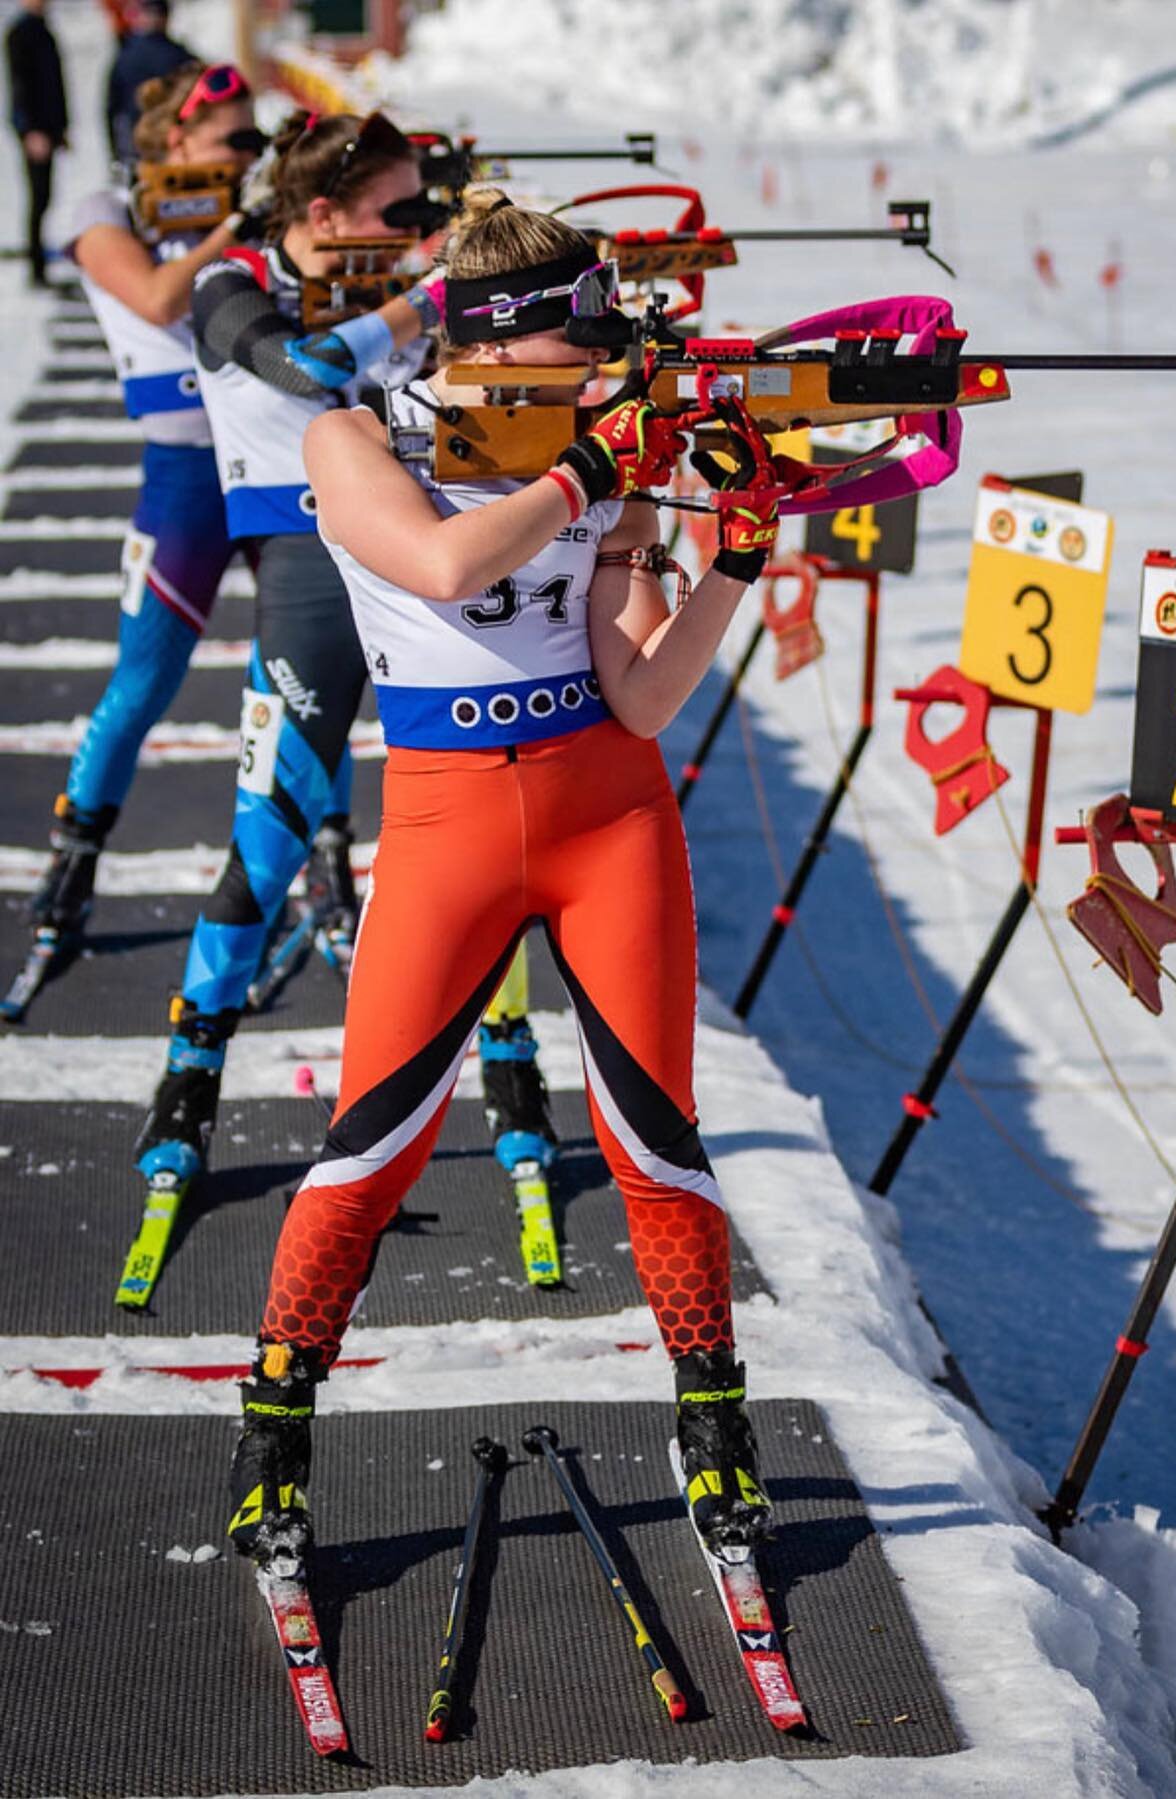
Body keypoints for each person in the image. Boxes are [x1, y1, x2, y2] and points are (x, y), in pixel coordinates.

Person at [225, 190, 783, 1573]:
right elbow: (441, 556)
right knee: (370, 1145)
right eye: (575, 352)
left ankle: (714, 1418)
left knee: (658, 1139)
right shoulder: (350, 435)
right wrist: (595, 471)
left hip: (611, 812)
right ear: (509, 341)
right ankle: (273, 1431)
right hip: (445, 823)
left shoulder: (604, 452)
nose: (597, 377)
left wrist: (738, 562)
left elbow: (644, 695)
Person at [131, 109, 444, 1201]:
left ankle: (506, 1073)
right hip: (309, 569)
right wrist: (426, 300)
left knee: (474, 835)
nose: (418, 227)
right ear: (323, 213)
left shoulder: (389, 279)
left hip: (421, 560)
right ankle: (188, 1078)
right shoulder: (233, 280)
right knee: (264, 837)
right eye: (398, 211)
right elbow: (304, 366)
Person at [13, 63, 259, 1001]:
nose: (246, 156)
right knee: (141, 684)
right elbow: (155, 298)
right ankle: (68, 873)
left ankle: (316, 867)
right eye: (231, 141)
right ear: (175, 145)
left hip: (281, 467)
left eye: (253, 140)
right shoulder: (102, 202)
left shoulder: (258, 203)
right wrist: (246, 219)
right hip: (186, 478)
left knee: (301, 688)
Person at [5, 0, 67, 288]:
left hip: (47, 129)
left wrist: (61, 127)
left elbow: (55, 85)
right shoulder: (22, 33)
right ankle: (36, 266)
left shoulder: (44, 31)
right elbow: (21, 87)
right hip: (36, 131)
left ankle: (39, 262)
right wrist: (30, 130)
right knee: (38, 198)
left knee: (46, 197)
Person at [106, 1, 193, 166]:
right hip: (171, 142)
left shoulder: (125, 55)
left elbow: (112, 107)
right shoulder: (180, 56)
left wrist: (114, 150)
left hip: (133, 143)